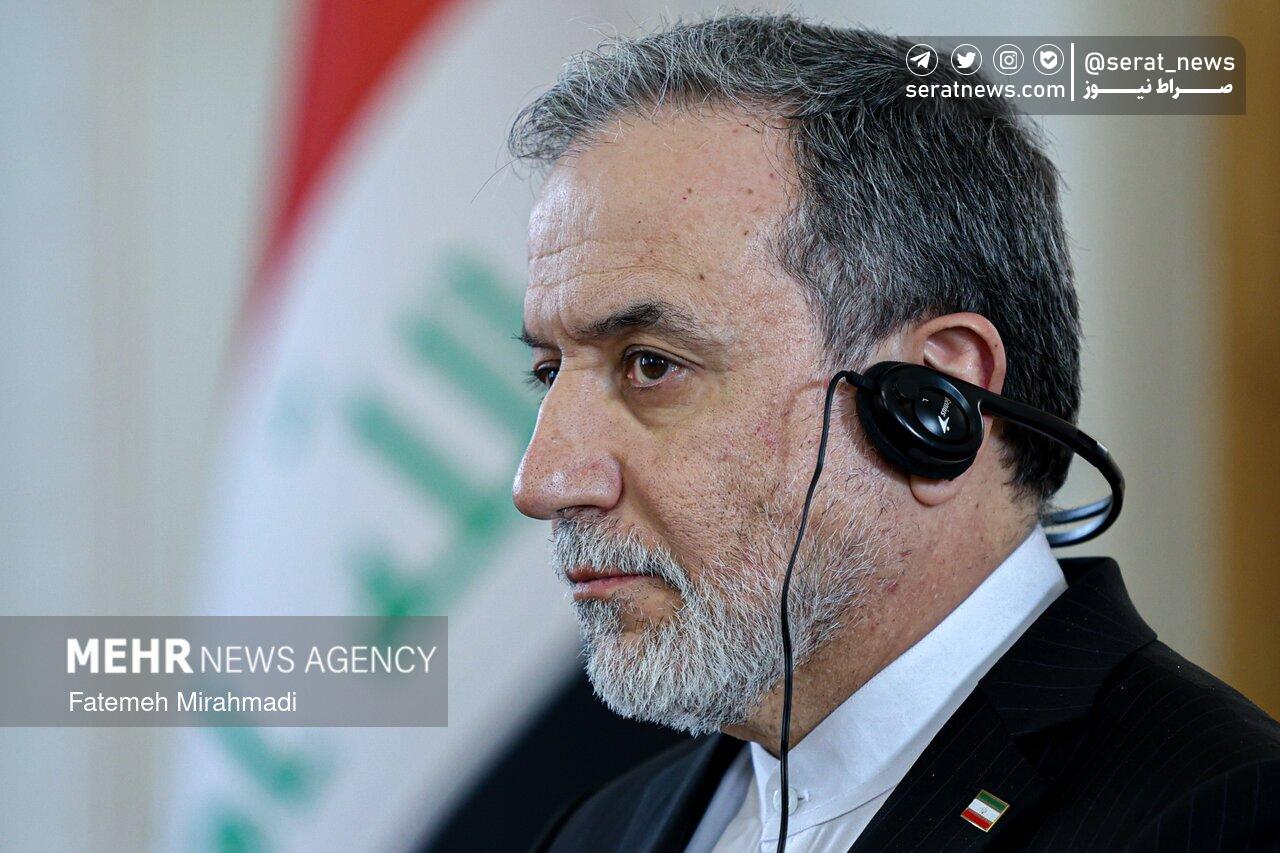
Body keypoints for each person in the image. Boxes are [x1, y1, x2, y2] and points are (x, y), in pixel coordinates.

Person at [508, 14, 1280, 852]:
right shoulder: (593, 832)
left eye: (651, 364)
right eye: (549, 371)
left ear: (933, 400)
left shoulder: (1225, 819)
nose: (542, 480)